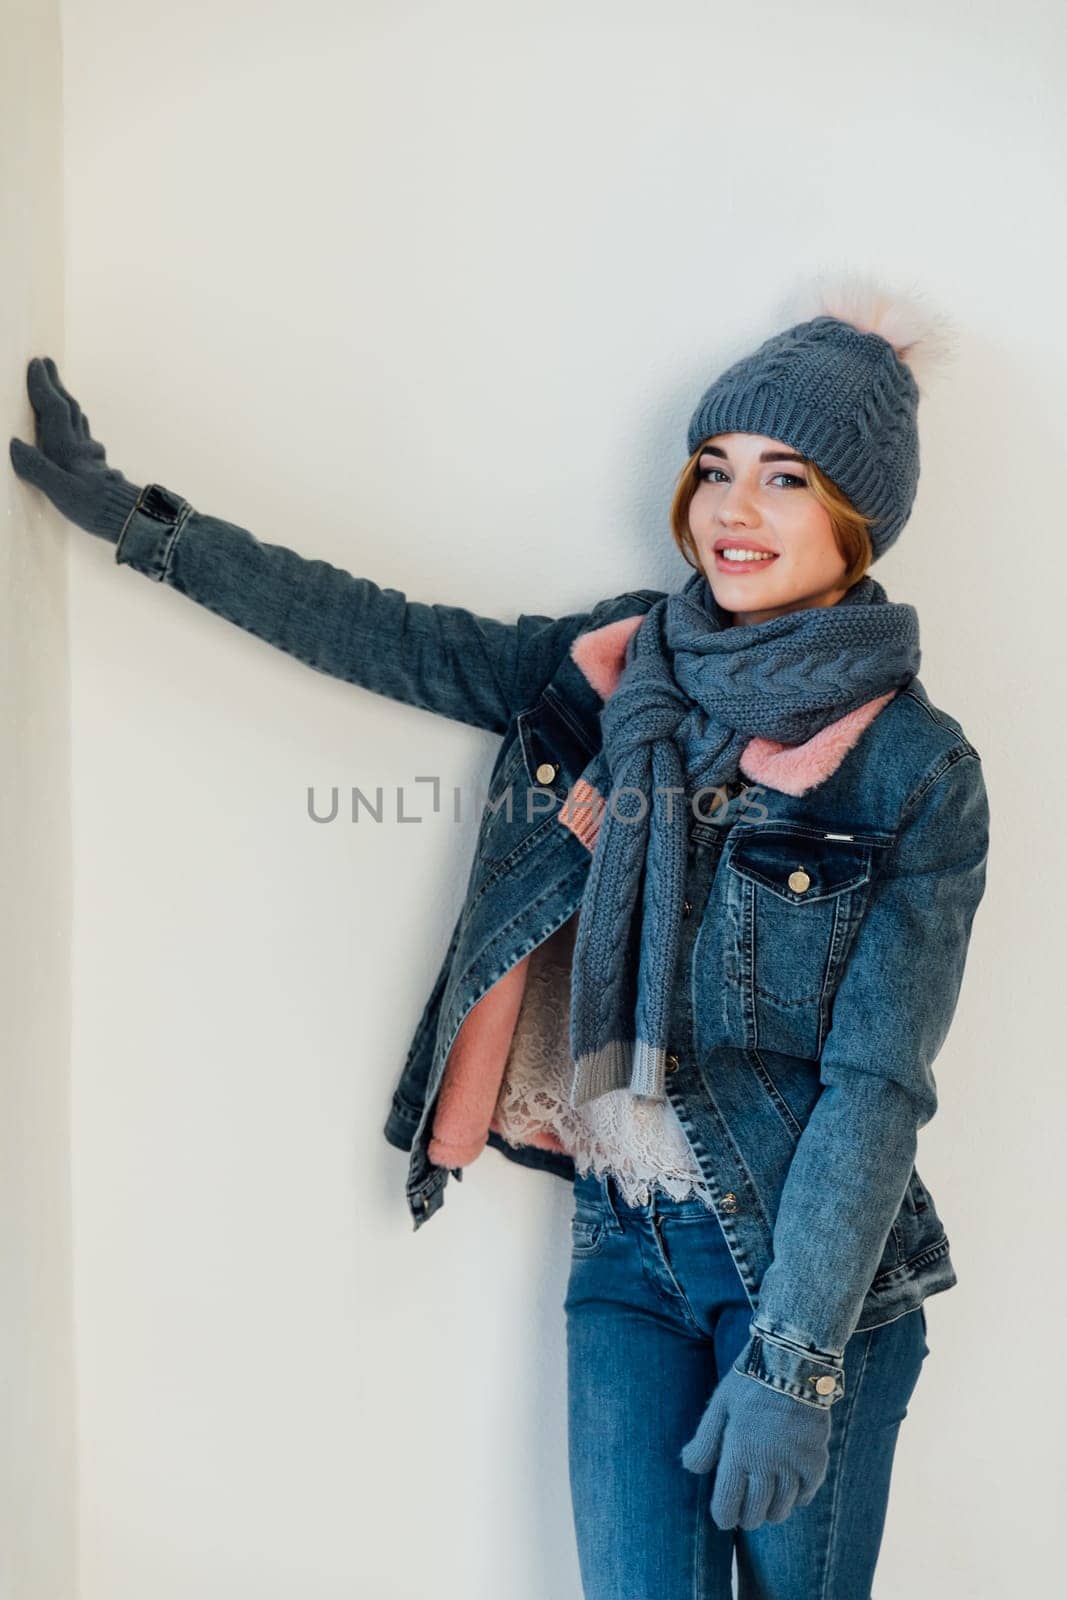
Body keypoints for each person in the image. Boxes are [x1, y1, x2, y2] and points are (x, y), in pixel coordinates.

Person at [9, 276, 991, 1600]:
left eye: (787, 479)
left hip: (809, 1279)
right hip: (621, 1242)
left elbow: (877, 1088)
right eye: (715, 469)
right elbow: (381, 634)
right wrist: (141, 527)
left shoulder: (913, 770)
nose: (732, 511)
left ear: (860, 517)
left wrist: (797, 1359)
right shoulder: (607, 672)